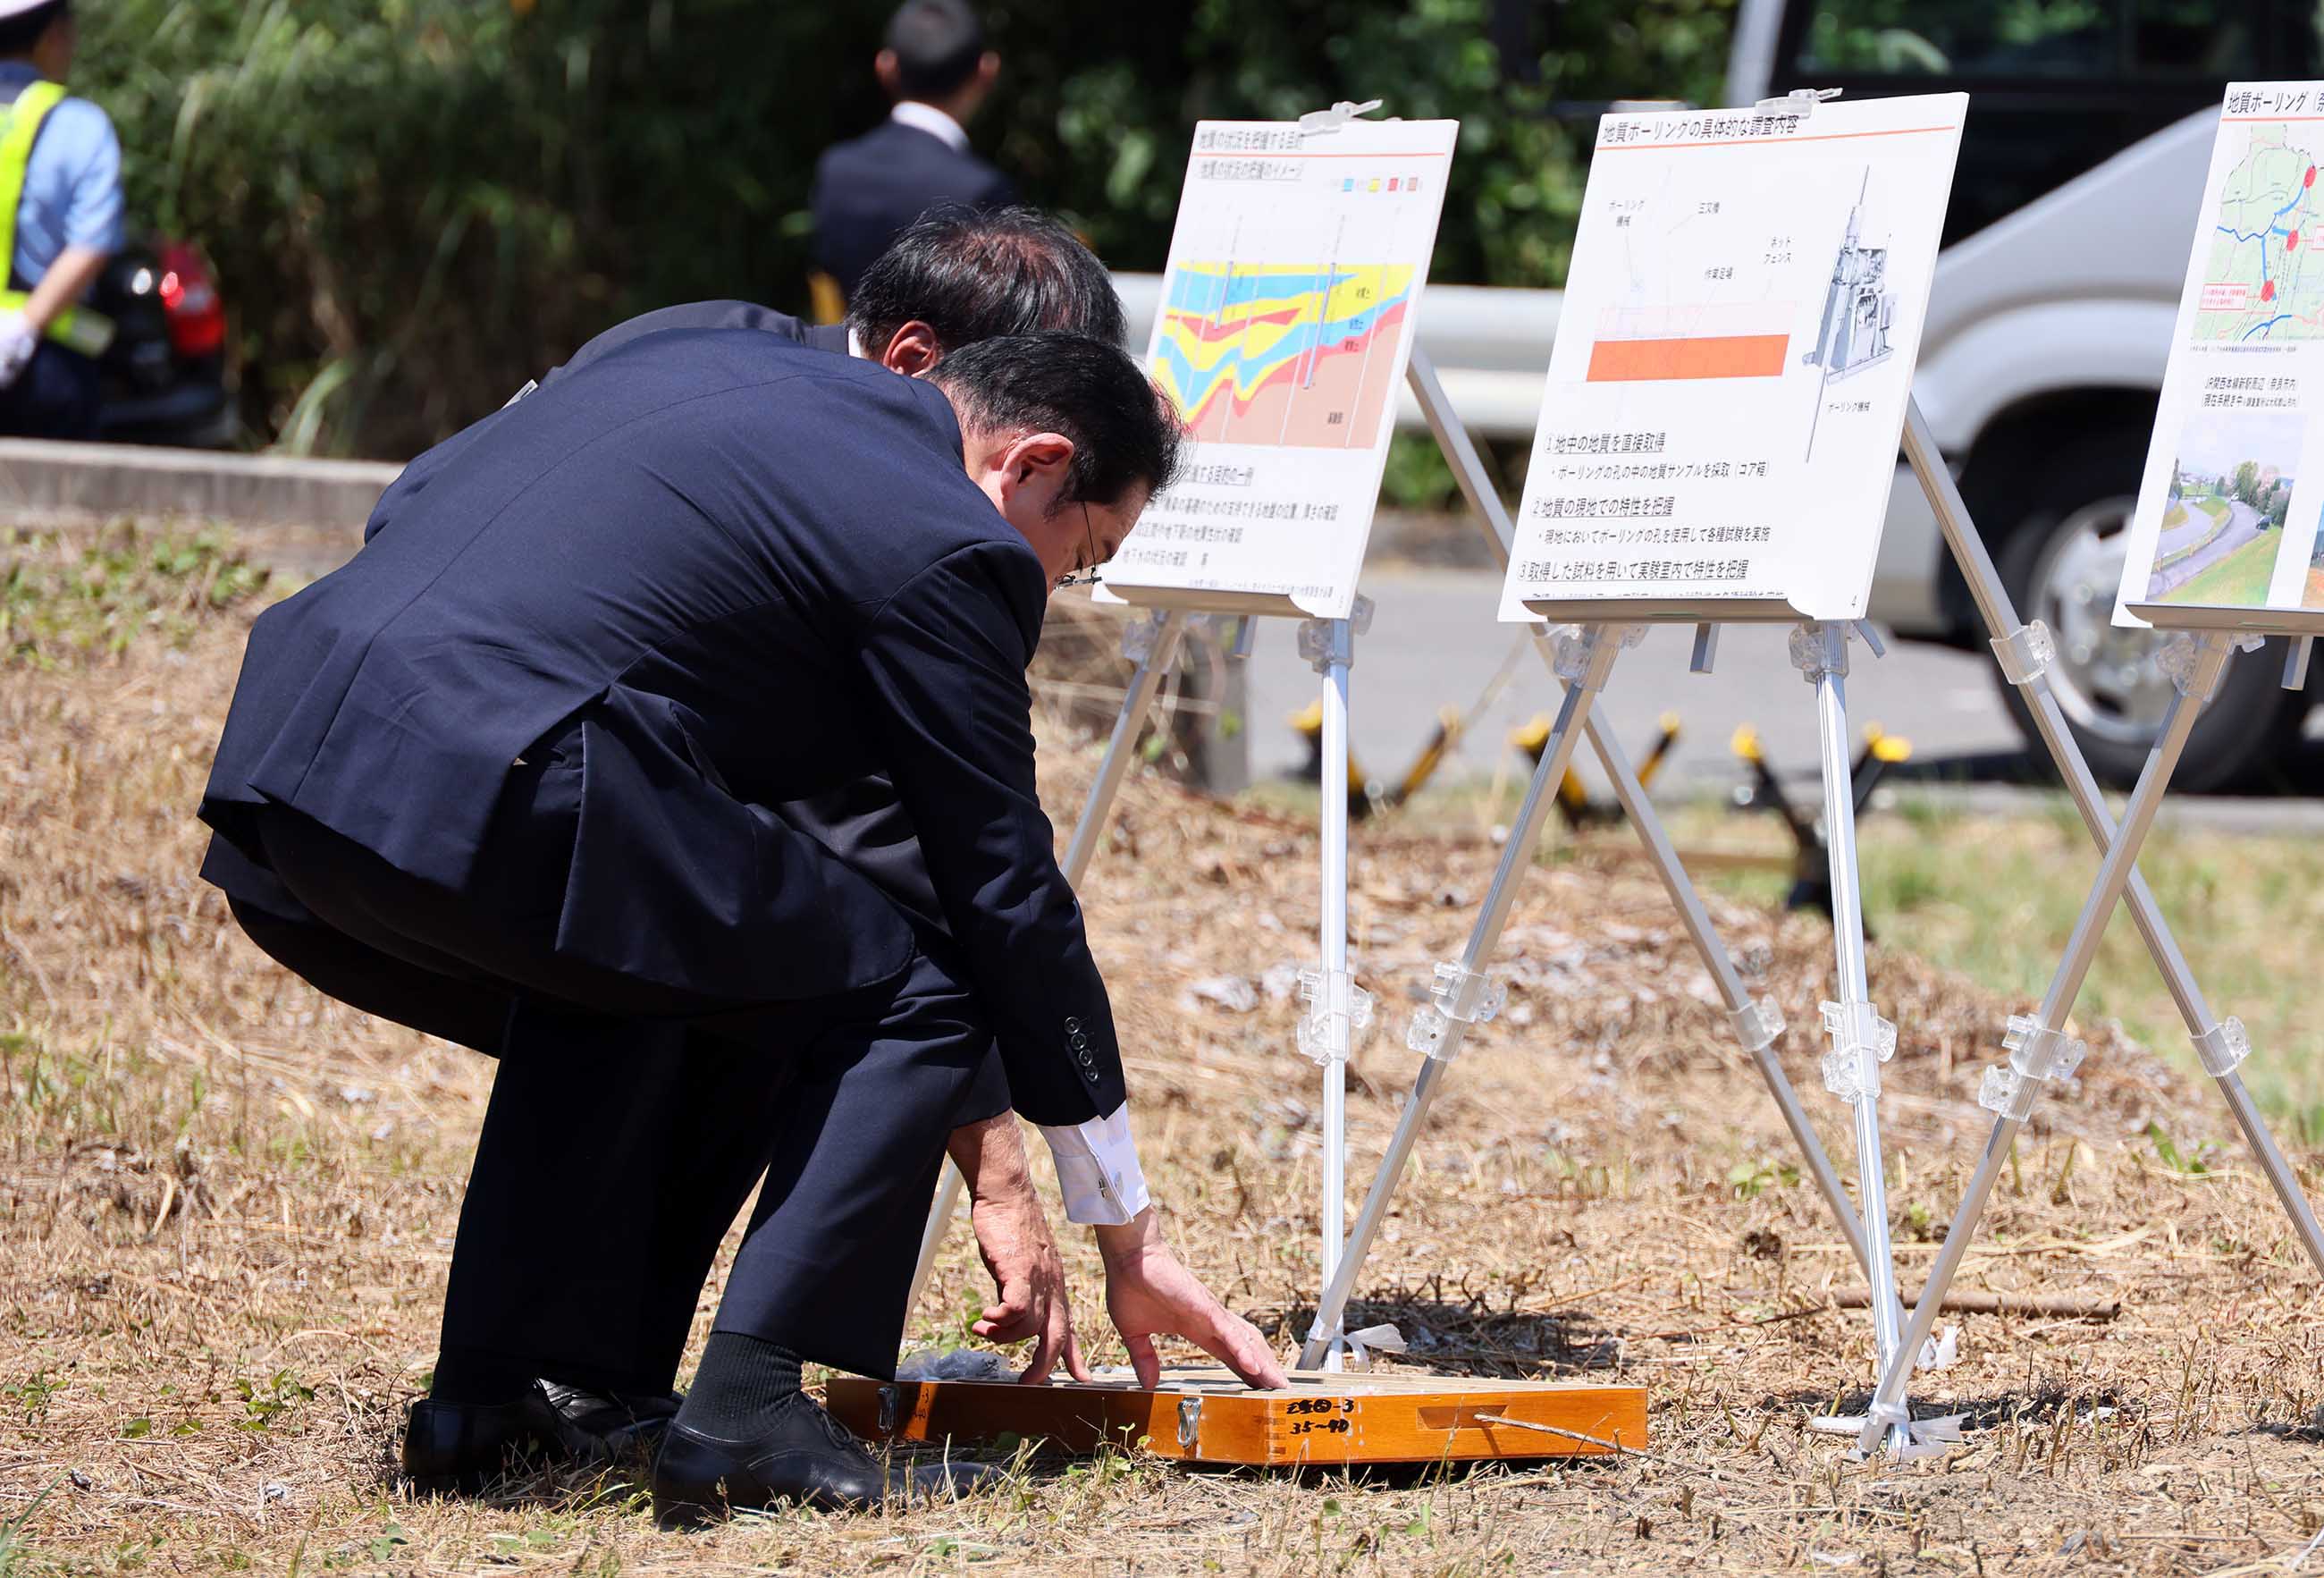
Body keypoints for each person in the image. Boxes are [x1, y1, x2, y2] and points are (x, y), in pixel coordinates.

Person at [198, 325, 1284, 1523]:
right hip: (505, 767)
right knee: (920, 983)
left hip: (296, 759)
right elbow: (1005, 892)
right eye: (1084, 555)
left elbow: (422, 490)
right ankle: (748, 1410)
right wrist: (1125, 1230)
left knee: (645, 966)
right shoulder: (951, 538)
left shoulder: (709, 356)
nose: (1056, 587)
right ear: (1031, 464)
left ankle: (483, 1403)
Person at [811, 0, 1015, 300]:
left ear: (885, 67)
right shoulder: (983, 190)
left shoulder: (837, 170)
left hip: (844, 346)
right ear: (986, 71)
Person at [0, 0, 122, 440]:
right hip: (49, 370)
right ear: (52, 35)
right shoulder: (81, 125)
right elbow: (92, 243)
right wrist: (23, 328)